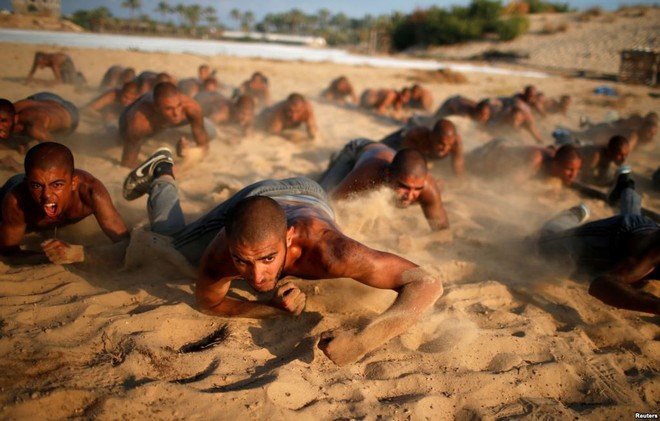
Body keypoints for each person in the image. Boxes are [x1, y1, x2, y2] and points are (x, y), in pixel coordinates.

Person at [122, 148, 444, 366]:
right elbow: (210, 302)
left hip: (309, 196)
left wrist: (362, 341)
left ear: (289, 238)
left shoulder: (332, 252)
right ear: (229, 243)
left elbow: (427, 283)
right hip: (256, 199)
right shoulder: (222, 250)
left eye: (267, 259)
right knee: (169, 246)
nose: (256, 276)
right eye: (242, 262)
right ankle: (162, 171)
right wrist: (270, 308)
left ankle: (162, 173)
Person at [537, 168, 659, 314]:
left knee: (635, 222)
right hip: (613, 236)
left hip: (642, 231)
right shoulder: (652, 252)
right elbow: (601, 285)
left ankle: (625, 187)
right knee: (541, 243)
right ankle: (573, 214)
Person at [0, 142, 129, 265]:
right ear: (27, 184)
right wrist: (50, 256)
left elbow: (125, 244)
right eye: (36, 186)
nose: (47, 195)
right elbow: (9, 253)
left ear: (73, 183)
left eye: (57, 185)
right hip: (11, 188)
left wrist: (76, 253)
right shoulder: (16, 201)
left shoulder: (90, 193)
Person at [318, 139, 449, 231]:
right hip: (356, 149)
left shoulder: (427, 187)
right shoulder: (369, 173)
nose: (410, 195)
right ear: (388, 175)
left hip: (389, 156)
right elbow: (333, 203)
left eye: (417, 189)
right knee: (320, 194)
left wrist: (415, 243)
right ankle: (336, 159)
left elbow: (444, 232)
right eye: (404, 187)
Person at [118, 81, 214, 168]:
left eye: (179, 105)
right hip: (128, 119)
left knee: (210, 132)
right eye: (169, 109)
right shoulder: (140, 121)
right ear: (156, 108)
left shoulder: (191, 108)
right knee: (120, 140)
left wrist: (188, 153)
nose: (176, 113)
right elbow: (127, 164)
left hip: (163, 128)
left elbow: (204, 147)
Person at [467, 141, 582, 186]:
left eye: (577, 170)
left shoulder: (559, 157)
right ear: (556, 164)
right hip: (489, 153)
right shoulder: (535, 161)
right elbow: (508, 186)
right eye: (570, 169)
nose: (574, 175)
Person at [380, 118, 465, 177]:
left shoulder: (456, 142)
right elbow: (403, 158)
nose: (445, 148)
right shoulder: (418, 136)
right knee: (379, 147)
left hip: (425, 151)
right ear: (432, 136)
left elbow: (458, 167)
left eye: (449, 145)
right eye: (441, 143)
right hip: (400, 139)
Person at [0, 93, 79, 151]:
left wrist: (20, 166)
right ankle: (19, 141)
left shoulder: (36, 128)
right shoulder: (10, 109)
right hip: (44, 97)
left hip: (68, 112)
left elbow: (55, 152)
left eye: (4, 122)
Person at [425, 95, 491, 126]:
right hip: (450, 104)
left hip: (459, 100)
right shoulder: (464, 114)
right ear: (477, 113)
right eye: (483, 115)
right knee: (435, 121)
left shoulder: (482, 111)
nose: (485, 118)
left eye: (487, 115)